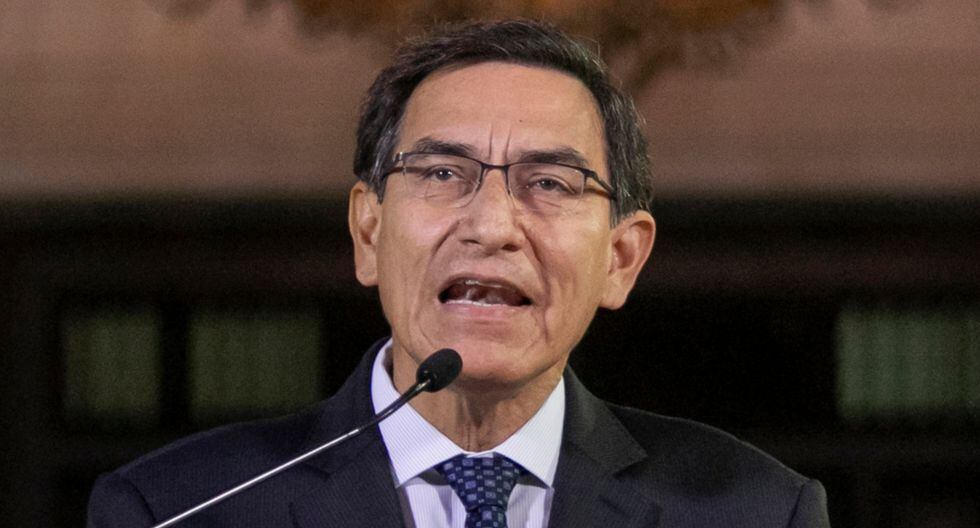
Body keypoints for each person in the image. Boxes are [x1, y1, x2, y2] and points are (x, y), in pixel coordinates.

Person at [87, 20, 830, 527]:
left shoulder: (756, 511)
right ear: (369, 232)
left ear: (621, 258)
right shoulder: (179, 508)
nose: (492, 225)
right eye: (442, 172)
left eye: (551, 183)